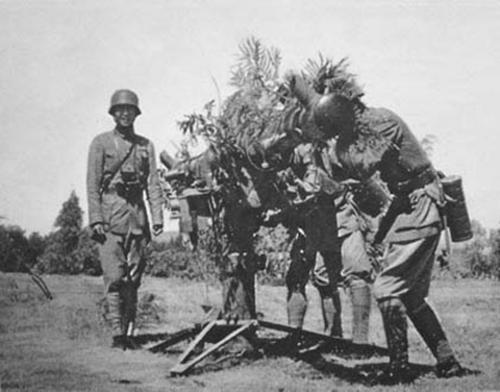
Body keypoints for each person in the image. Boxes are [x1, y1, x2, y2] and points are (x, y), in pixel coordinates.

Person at [308, 90, 466, 380]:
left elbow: (364, 165)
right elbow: (345, 174)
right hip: (408, 205)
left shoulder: (380, 121)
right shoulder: (359, 129)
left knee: (387, 288)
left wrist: (334, 151)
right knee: (414, 297)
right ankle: (448, 362)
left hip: (421, 202)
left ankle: (399, 368)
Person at [87, 89, 164, 349]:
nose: (125, 114)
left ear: (136, 113)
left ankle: (131, 333)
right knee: (115, 278)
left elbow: (153, 184)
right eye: (120, 110)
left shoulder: (146, 145)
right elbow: (92, 185)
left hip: (137, 219)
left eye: (129, 110)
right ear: (113, 113)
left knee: (134, 279)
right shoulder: (101, 143)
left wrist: (157, 217)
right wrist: (96, 219)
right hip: (110, 218)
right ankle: (117, 334)